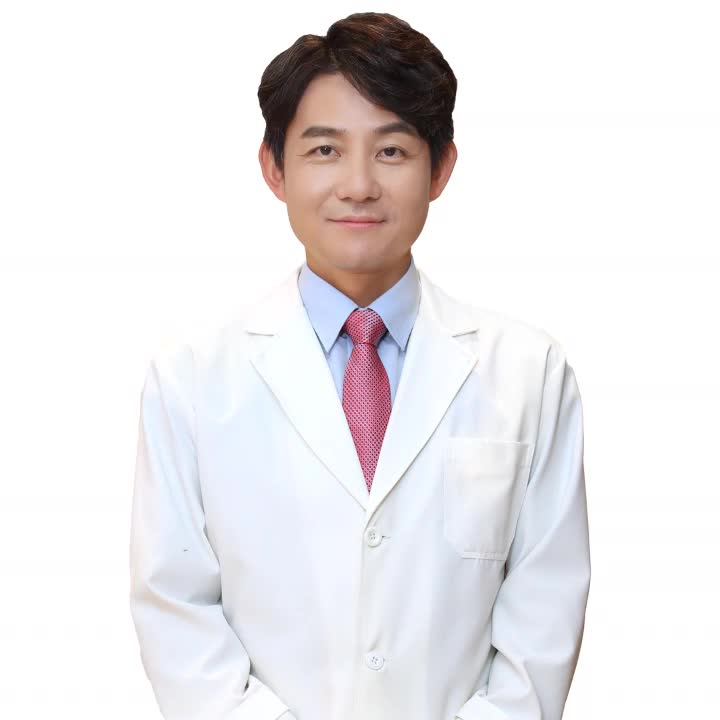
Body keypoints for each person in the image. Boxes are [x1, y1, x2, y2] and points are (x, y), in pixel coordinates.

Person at [128, 11, 591, 720]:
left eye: (392, 151)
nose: (358, 184)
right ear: (273, 168)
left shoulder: (530, 373)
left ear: (441, 168)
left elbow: (544, 610)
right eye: (324, 150)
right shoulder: (192, 377)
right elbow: (176, 606)